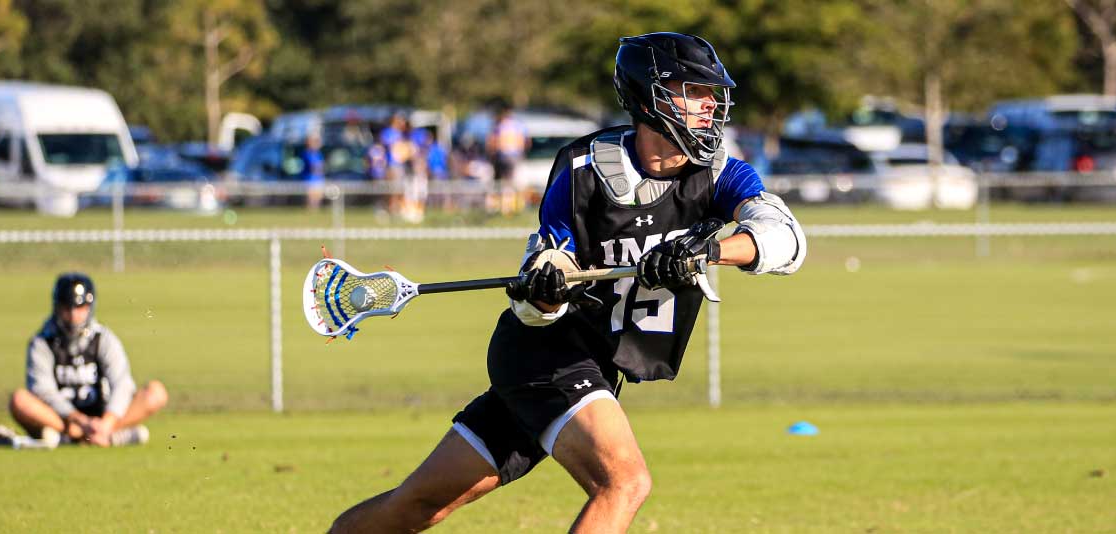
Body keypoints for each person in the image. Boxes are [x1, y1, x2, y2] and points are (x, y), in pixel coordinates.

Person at [329, 32, 807, 532]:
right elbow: (538, 294)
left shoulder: (720, 176)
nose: (710, 106)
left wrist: (706, 251)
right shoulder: (585, 173)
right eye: (694, 92)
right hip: (547, 354)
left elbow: (785, 240)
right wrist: (545, 290)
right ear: (650, 96)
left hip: (592, 368)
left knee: (415, 507)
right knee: (624, 482)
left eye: (714, 94)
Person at [9, 273, 168, 447]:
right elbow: (43, 391)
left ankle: (96, 435)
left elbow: (122, 384)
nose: (73, 315)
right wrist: (80, 421)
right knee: (19, 400)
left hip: (103, 417)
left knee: (156, 392)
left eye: (79, 308)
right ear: (57, 308)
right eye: (67, 308)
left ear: (89, 307)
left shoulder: (103, 339)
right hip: (62, 418)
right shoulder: (42, 342)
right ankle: (103, 437)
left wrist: (106, 423)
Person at [487, 105, 529, 215]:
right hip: (514, 157)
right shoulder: (519, 125)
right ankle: (508, 208)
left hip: (502, 156)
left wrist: (492, 155)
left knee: (500, 182)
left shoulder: (500, 125)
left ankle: (501, 208)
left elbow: (493, 142)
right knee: (510, 183)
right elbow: (526, 141)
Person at [301, 132, 327, 210]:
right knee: (311, 201)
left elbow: (321, 166)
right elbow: (314, 167)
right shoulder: (307, 153)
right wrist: (319, 169)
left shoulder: (318, 154)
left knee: (318, 200)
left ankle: (315, 213)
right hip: (310, 180)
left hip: (319, 179)